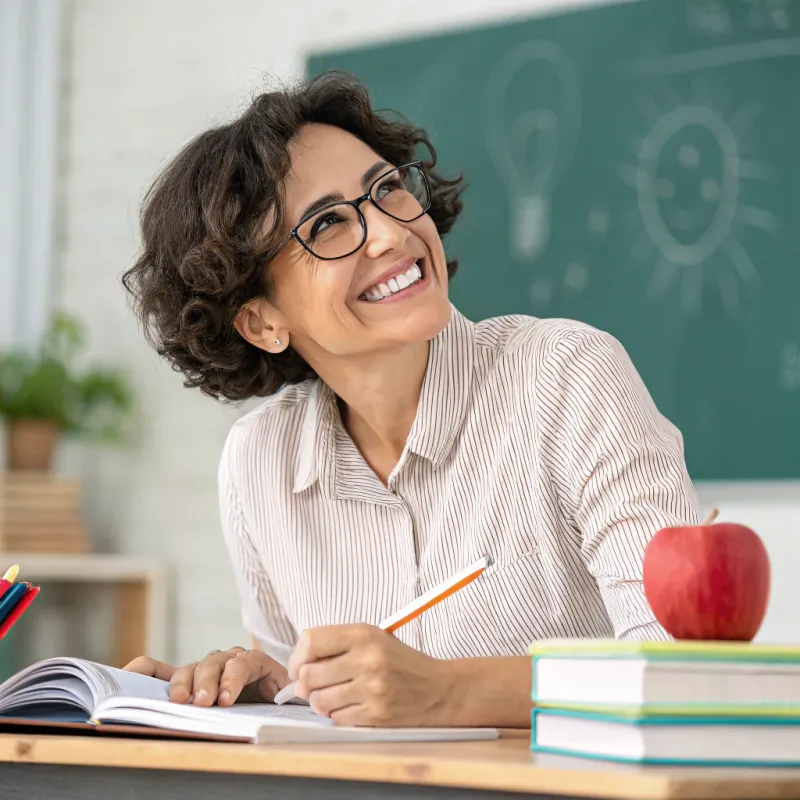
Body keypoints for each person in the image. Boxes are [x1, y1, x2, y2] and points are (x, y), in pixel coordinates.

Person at [121, 71, 700, 729]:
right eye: (329, 224)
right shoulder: (260, 463)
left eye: (387, 189)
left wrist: (448, 692)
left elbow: (682, 672)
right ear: (261, 322)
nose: (392, 233)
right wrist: (266, 684)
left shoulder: (568, 379)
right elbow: (314, 709)